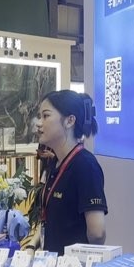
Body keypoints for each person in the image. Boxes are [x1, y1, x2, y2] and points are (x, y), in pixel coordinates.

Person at [37, 90, 108, 253]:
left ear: (70, 121)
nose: (39, 123)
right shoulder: (55, 162)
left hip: (72, 265)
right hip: (52, 262)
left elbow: (97, 233)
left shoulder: (85, 165)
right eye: (39, 116)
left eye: (46, 116)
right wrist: (32, 246)